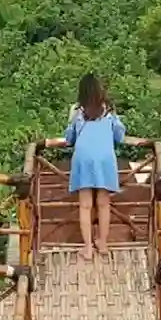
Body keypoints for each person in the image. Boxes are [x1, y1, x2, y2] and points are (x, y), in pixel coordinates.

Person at [64, 74, 127, 260]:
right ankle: (103, 243)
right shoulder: (108, 110)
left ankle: (88, 248)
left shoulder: (77, 110)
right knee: (104, 203)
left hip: (83, 158)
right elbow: (120, 135)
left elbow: (69, 139)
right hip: (105, 158)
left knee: (85, 206)